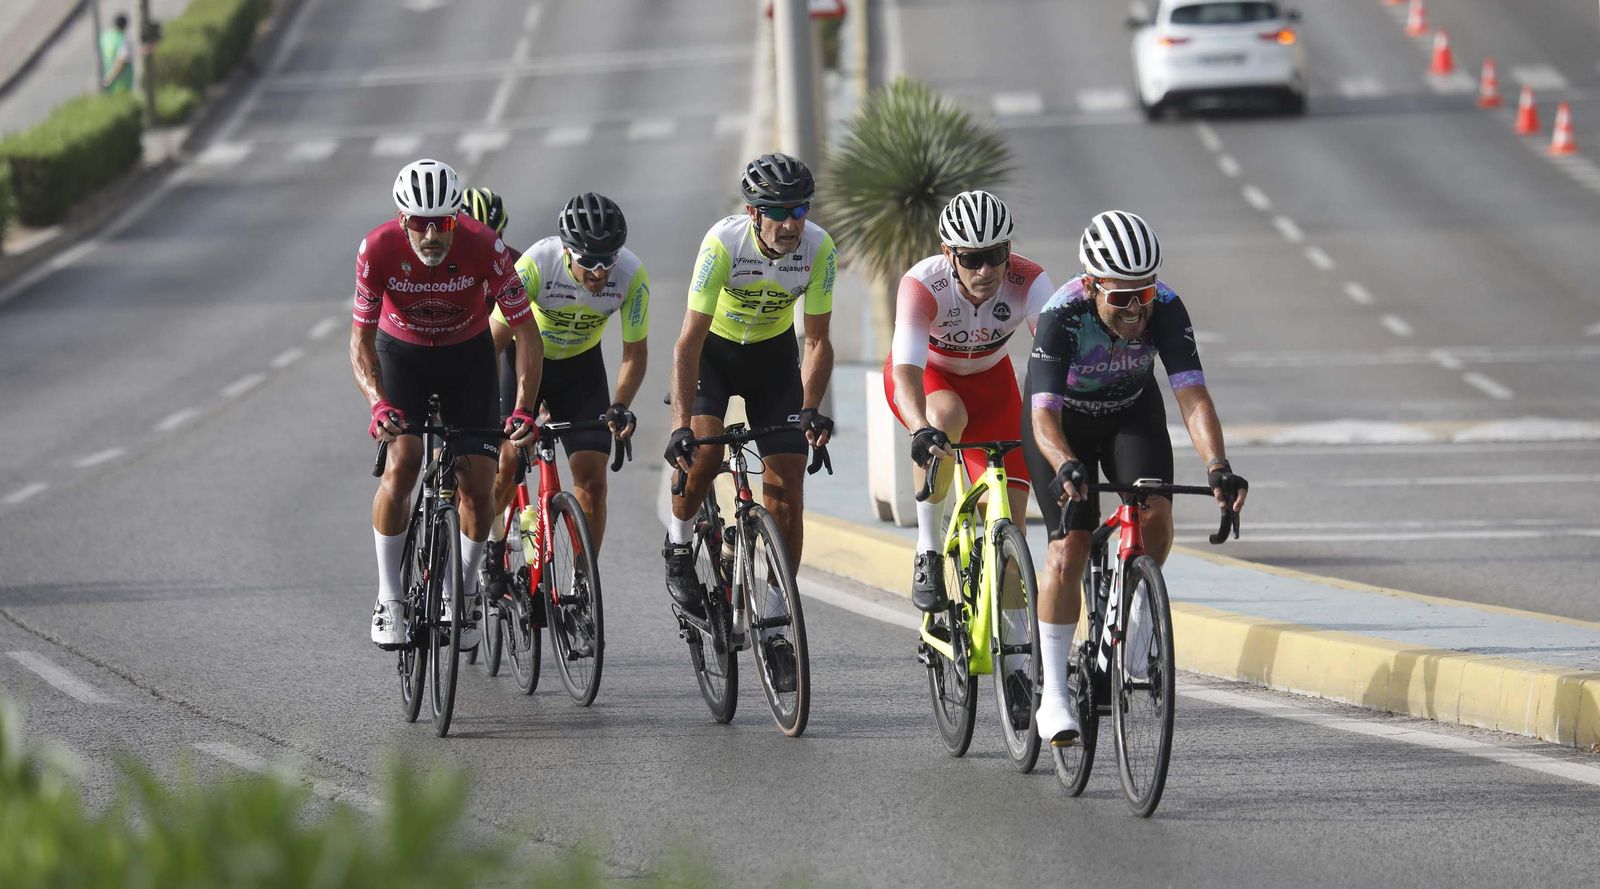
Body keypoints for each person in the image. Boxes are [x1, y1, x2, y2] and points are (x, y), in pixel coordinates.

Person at [1022, 210, 1249, 746]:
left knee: (1157, 511)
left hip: (1130, 411)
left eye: (1142, 295)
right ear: (1091, 284)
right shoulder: (1063, 315)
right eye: (1120, 297)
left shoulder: (1166, 308)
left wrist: (1217, 466)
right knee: (1069, 545)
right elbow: (1042, 416)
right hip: (1063, 422)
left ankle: (1139, 617)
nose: (1134, 310)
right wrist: (1064, 464)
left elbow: (1191, 396)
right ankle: (1053, 693)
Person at [350, 159, 542, 650]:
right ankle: (389, 597)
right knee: (405, 460)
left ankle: (463, 589)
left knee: (480, 486)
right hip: (403, 356)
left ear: (458, 218)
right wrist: (377, 403)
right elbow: (361, 341)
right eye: (420, 222)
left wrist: (522, 406)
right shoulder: (377, 249)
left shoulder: (486, 247)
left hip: (466, 357)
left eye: (444, 223)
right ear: (401, 218)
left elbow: (526, 333)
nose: (432, 234)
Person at [662, 153, 835, 687]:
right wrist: (681, 423)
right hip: (713, 356)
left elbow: (816, 340)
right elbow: (688, 341)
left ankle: (777, 623)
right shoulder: (722, 245)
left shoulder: (818, 248)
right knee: (706, 455)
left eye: (798, 210)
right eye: (776, 211)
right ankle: (680, 543)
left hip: (771, 361)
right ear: (752, 211)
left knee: (787, 486)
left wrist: (809, 408)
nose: (789, 223)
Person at [883, 190, 1052, 614]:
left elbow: (1055, 356)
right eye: (972, 258)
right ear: (948, 253)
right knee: (945, 416)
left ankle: (1015, 663)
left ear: (1008, 249)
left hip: (993, 388)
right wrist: (920, 427)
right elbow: (906, 371)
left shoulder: (1029, 280)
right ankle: (928, 550)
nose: (985, 269)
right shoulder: (923, 284)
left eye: (996, 255)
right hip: (929, 381)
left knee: (1009, 527)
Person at [480, 192, 648, 590]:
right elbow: (494, 341)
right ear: (567, 251)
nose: (599, 271)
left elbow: (635, 352)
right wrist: (484, 405)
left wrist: (620, 404)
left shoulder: (631, 275)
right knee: (505, 464)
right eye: (588, 261)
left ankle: (582, 583)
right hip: (525, 363)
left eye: (608, 259)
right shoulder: (538, 263)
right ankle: (492, 546)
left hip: (581, 370)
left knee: (592, 481)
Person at [100, 13, 134, 94]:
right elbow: (120, 63)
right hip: (121, 83)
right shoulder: (123, 41)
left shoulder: (105, 37)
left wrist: (105, 81)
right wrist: (109, 80)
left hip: (105, 79)